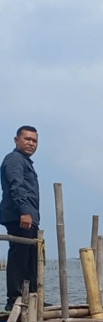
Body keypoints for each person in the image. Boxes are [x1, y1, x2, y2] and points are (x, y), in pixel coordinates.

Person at [1, 126, 40, 311]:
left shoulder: (26, 162)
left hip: (29, 217)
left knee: (30, 259)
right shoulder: (14, 159)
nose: (31, 143)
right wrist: (24, 211)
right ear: (16, 140)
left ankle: (30, 298)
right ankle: (15, 299)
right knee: (20, 257)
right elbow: (15, 186)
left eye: (34, 140)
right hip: (19, 216)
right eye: (27, 139)